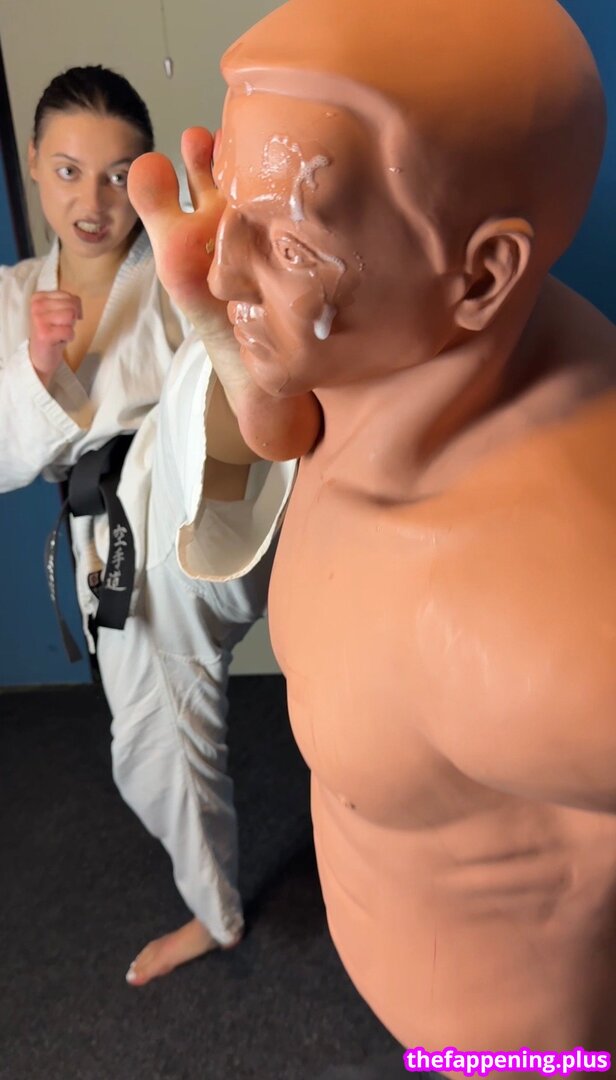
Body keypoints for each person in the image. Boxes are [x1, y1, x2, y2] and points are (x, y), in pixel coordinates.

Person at [128, 0, 616, 1074]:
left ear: (480, 276)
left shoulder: (525, 612)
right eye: (230, 200)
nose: (220, 267)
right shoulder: (414, 346)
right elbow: (303, 432)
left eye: (291, 241)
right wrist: (247, 353)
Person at [0, 65, 296, 987]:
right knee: (153, 754)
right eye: (68, 171)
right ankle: (217, 915)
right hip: (122, 558)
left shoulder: (173, 258)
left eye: (120, 176)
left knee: (199, 377)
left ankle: (228, 342)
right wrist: (39, 368)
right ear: (34, 164)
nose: (93, 202)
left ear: (147, 180)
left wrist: (206, 292)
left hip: (211, 493)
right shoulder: (10, 299)